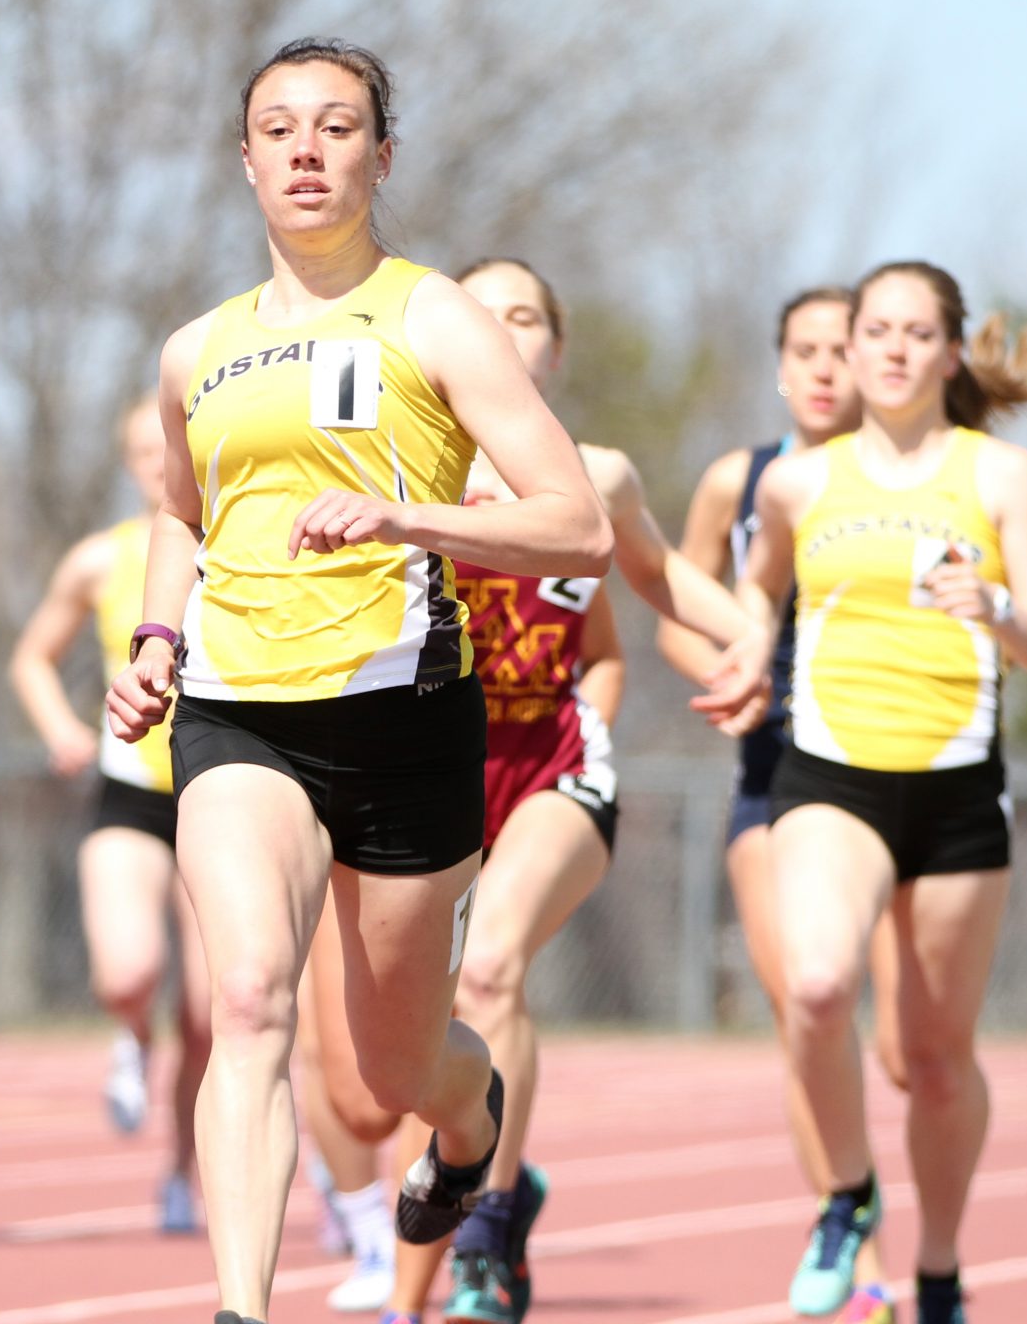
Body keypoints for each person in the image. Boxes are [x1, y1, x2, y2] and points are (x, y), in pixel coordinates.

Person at [104, 38, 614, 1324]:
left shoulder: (430, 314)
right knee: (248, 997)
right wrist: (157, 645)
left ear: (380, 158)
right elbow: (180, 513)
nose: (306, 150)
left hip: (404, 719)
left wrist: (408, 522)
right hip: (237, 713)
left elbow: (574, 525)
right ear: (245, 161)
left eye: (336, 128)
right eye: (279, 129)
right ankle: (240, 1306)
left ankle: (469, 1117)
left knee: (397, 1067)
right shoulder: (194, 352)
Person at [298, 256, 764, 1324]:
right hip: (420, 770)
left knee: (493, 968)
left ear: (555, 351)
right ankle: (481, 1190)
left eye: (527, 316)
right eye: (483, 311)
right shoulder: (399, 463)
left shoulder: (593, 476)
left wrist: (754, 642)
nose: (503, 329)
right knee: (364, 1100)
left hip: (550, 763)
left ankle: (489, 1241)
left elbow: (652, 578)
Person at [714, 261, 1027, 1323]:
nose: (895, 350)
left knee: (934, 1059)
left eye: (919, 333)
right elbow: (757, 583)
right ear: (853, 343)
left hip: (960, 791)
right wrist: (743, 651)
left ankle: (942, 1265)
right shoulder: (798, 483)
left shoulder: (1002, 476)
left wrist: (998, 604)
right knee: (818, 988)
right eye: (877, 330)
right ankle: (844, 1192)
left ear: (950, 353)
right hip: (829, 777)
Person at [659, 286, 865, 1209]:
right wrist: (724, 669)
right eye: (807, 351)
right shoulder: (734, 481)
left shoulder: (911, 484)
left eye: (843, 349)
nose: (825, 368)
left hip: (887, 761)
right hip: (773, 767)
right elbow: (673, 606)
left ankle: (860, 1190)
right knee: (801, 1014)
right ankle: (844, 1227)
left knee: (902, 1046)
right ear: (781, 369)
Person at [8, 393, 212, 1235]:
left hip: (219, 790)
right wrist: (60, 727)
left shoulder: (237, 547)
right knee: (126, 972)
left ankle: (181, 1172)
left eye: (167, 448)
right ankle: (131, 1038)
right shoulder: (98, 560)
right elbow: (31, 655)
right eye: (141, 449)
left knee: (210, 1014)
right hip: (127, 788)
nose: (155, 462)